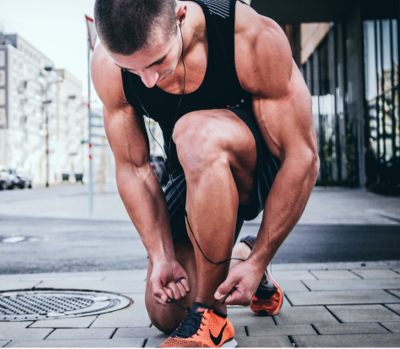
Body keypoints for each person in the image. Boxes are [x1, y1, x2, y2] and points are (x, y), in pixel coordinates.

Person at [91, 0, 319, 347]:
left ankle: (212, 319)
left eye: (156, 62)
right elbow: (134, 168)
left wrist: (262, 259)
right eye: (133, 70)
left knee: (194, 132)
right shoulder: (108, 65)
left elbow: (302, 157)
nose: (148, 82)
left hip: (256, 167)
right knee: (166, 312)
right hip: (191, 169)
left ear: (180, 17)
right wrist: (161, 255)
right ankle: (237, 256)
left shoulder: (249, 36)